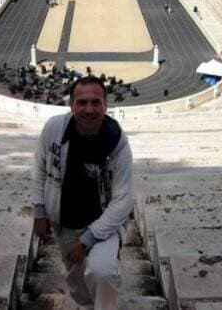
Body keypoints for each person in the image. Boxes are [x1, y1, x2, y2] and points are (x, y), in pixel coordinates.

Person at [31, 76, 133, 310]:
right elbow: (39, 167)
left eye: (96, 102)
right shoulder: (54, 128)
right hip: (64, 222)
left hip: (103, 222)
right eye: (82, 102)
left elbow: (123, 200)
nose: (89, 109)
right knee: (76, 279)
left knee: (103, 271)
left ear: (106, 106)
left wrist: (87, 240)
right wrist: (39, 211)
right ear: (71, 105)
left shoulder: (118, 144)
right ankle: (86, 304)